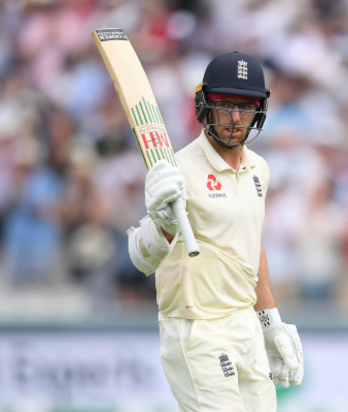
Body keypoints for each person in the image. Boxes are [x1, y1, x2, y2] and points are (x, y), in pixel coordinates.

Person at [127, 51, 304, 411]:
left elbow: (251, 246)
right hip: (196, 327)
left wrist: (270, 322)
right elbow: (139, 257)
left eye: (246, 106)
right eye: (225, 105)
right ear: (205, 105)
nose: (236, 118)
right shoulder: (178, 171)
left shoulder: (259, 169)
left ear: (261, 109)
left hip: (244, 323)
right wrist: (165, 223)